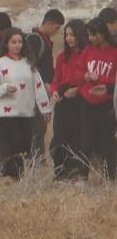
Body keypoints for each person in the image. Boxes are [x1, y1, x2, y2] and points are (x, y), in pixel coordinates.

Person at [0, 28, 52, 180]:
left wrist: (45, 108)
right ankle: (7, 173)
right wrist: (4, 88)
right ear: (7, 44)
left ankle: (18, 176)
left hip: (25, 112)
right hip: (5, 113)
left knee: (23, 147)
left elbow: (38, 87)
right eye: (13, 42)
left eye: (20, 42)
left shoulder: (29, 63)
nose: (17, 45)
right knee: (8, 146)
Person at [49, 19, 89, 181]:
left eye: (72, 35)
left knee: (77, 137)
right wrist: (54, 92)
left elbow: (91, 80)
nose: (69, 38)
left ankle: (77, 172)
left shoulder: (88, 54)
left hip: (80, 101)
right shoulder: (61, 56)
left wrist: (78, 90)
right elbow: (56, 79)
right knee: (59, 138)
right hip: (63, 100)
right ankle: (60, 171)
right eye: (66, 35)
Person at [79, 19, 117, 179]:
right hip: (87, 103)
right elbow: (77, 72)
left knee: (108, 142)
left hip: (107, 104)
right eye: (88, 35)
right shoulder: (88, 50)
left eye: (93, 34)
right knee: (85, 140)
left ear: (103, 33)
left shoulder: (114, 51)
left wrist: (108, 88)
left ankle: (110, 178)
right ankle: (83, 176)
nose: (91, 38)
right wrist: (85, 76)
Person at [25, 9, 64, 161]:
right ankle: (36, 161)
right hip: (36, 93)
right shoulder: (35, 40)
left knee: (40, 127)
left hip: (42, 91)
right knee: (37, 128)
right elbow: (30, 67)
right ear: (48, 23)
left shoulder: (44, 40)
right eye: (56, 28)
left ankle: (37, 159)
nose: (57, 31)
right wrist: (43, 85)